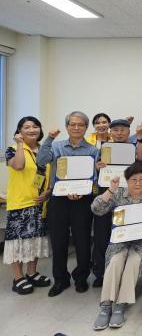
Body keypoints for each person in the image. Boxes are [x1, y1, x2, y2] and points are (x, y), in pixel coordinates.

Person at [91, 162, 142, 330]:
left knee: (133, 261)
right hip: (121, 238)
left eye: (141, 180)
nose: (138, 183)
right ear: (127, 180)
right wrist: (111, 189)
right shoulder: (118, 193)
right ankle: (106, 305)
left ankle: (120, 305)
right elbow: (96, 209)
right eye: (133, 180)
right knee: (115, 261)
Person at [36, 111, 99, 297]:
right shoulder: (56, 146)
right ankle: (60, 279)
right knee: (59, 240)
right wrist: (49, 138)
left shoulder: (93, 150)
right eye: (72, 124)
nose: (76, 128)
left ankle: (81, 278)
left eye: (81, 125)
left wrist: (82, 190)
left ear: (86, 127)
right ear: (67, 127)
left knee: (82, 240)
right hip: (59, 199)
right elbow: (41, 161)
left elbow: (94, 177)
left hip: (83, 199)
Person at [92, 119, 142, 288]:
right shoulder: (103, 148)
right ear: (110, 132)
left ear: (128, 132)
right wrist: (98, 168)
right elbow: (95, 172)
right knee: (101, 235)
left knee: (124, 235)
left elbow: (141, 159)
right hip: (107, 194)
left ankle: (121, 273)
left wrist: (140, 138)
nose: (119, 133)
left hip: (127, 197)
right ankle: (100, 273)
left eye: (123, 130)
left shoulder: (134, 148)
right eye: (115, 130)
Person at [4, 117, 51, 295]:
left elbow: (50, 175)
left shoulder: (45, 151)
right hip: (20, 203)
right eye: (27, 127)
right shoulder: (12, 149)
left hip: (40, 203)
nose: (32, 130)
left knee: (35, 240)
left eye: (35, 126)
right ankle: (18, 277)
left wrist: (47, 192)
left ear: (40, 129)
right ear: (19, 131)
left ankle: (32, 273)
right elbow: (19, 166)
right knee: (17, 241)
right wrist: (20, 145)